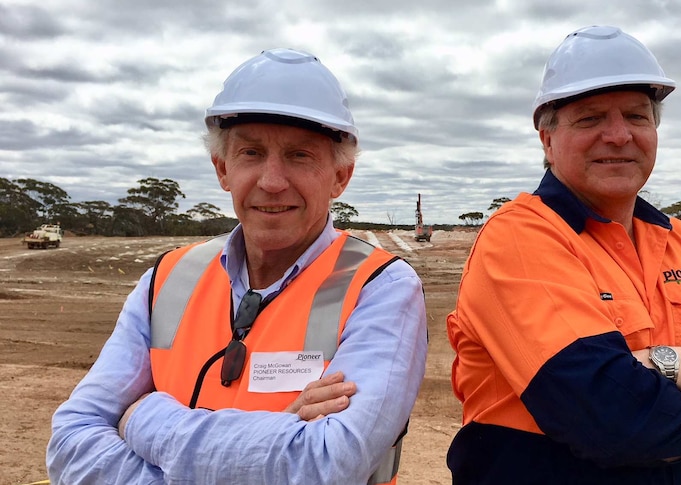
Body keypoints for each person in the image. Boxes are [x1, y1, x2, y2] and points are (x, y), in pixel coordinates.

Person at [446, 25, 681, 484]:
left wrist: (668, 362)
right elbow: (614, 420)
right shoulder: (521, 237)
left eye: (636, 116)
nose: (617, 135)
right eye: (589, 118)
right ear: (547, 140)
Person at [47, 48, 428, 485]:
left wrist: (142, 418)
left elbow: (323, 465)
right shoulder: (167, 280)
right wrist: (275, 439)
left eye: (300, 155)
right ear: (222, 168)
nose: (271, 181)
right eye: (251, 152)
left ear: (341, 177)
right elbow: (71, 443)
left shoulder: (381, 288)